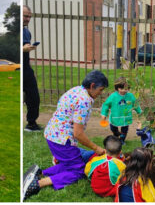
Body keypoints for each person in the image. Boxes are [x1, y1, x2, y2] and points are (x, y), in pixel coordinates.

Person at [22, 70, 110, 200]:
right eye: (100, 90)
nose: (101, 93)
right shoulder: (84, 101)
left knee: (73, 163)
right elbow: (78, 133)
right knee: (78, 171)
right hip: (62, 140)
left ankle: (40, 173)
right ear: (92, 86)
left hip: (53, 134)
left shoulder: (77, 90)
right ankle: (37, 184)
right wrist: (96, 148)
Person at [100, 79, 143, 143]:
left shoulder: (130, 96)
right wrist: (104, 114)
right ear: (117, 88)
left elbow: (135, 104)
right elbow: (106, 105)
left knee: (125, 129)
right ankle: (116, 134)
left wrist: (139, 112)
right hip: (115, 116)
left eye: (127, 88)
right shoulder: (113, 96)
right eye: (122, 88)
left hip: (126, 116)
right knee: (113, 128)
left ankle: (122, 140)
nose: (125, 90)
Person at [23, 4, 41, 132]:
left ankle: (31, 123)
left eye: (29, 17)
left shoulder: (26, 31)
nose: (27, 19)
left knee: (34, 97)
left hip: (26, 68)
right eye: (25, 16)